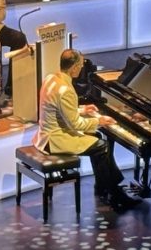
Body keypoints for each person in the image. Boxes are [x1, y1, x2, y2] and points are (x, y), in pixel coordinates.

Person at [34, 48, 141, 212]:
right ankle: (114, 194)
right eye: (81, 64)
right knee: (101, 146)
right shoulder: (66, 90)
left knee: (96, 137)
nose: (82, 68)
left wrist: (83, 111)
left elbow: (58, 110)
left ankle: (103, 186)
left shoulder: (51, 78)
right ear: (74, 67)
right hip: (55, 140)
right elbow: (75, 125)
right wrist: (99, 120)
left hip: (45, 135)